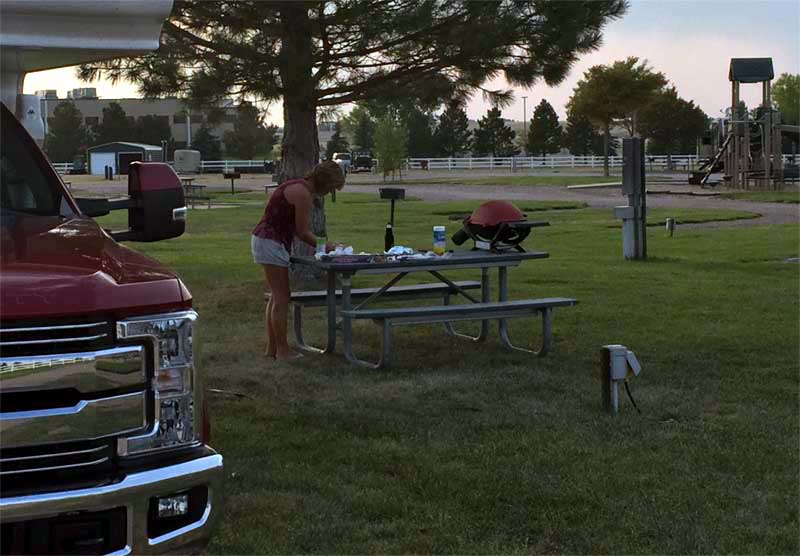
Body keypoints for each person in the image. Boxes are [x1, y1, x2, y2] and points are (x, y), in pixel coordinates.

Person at [251, 161, 345, 360]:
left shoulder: (295, 185)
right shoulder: (302, 194)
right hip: (271, 242)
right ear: (324, 182)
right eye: (331, 188)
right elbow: (302, 232)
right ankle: (283, 350)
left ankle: (272, 349)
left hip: (266, 240)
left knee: (277, 297)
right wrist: (327, 246)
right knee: (282, 298)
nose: (329, 193)